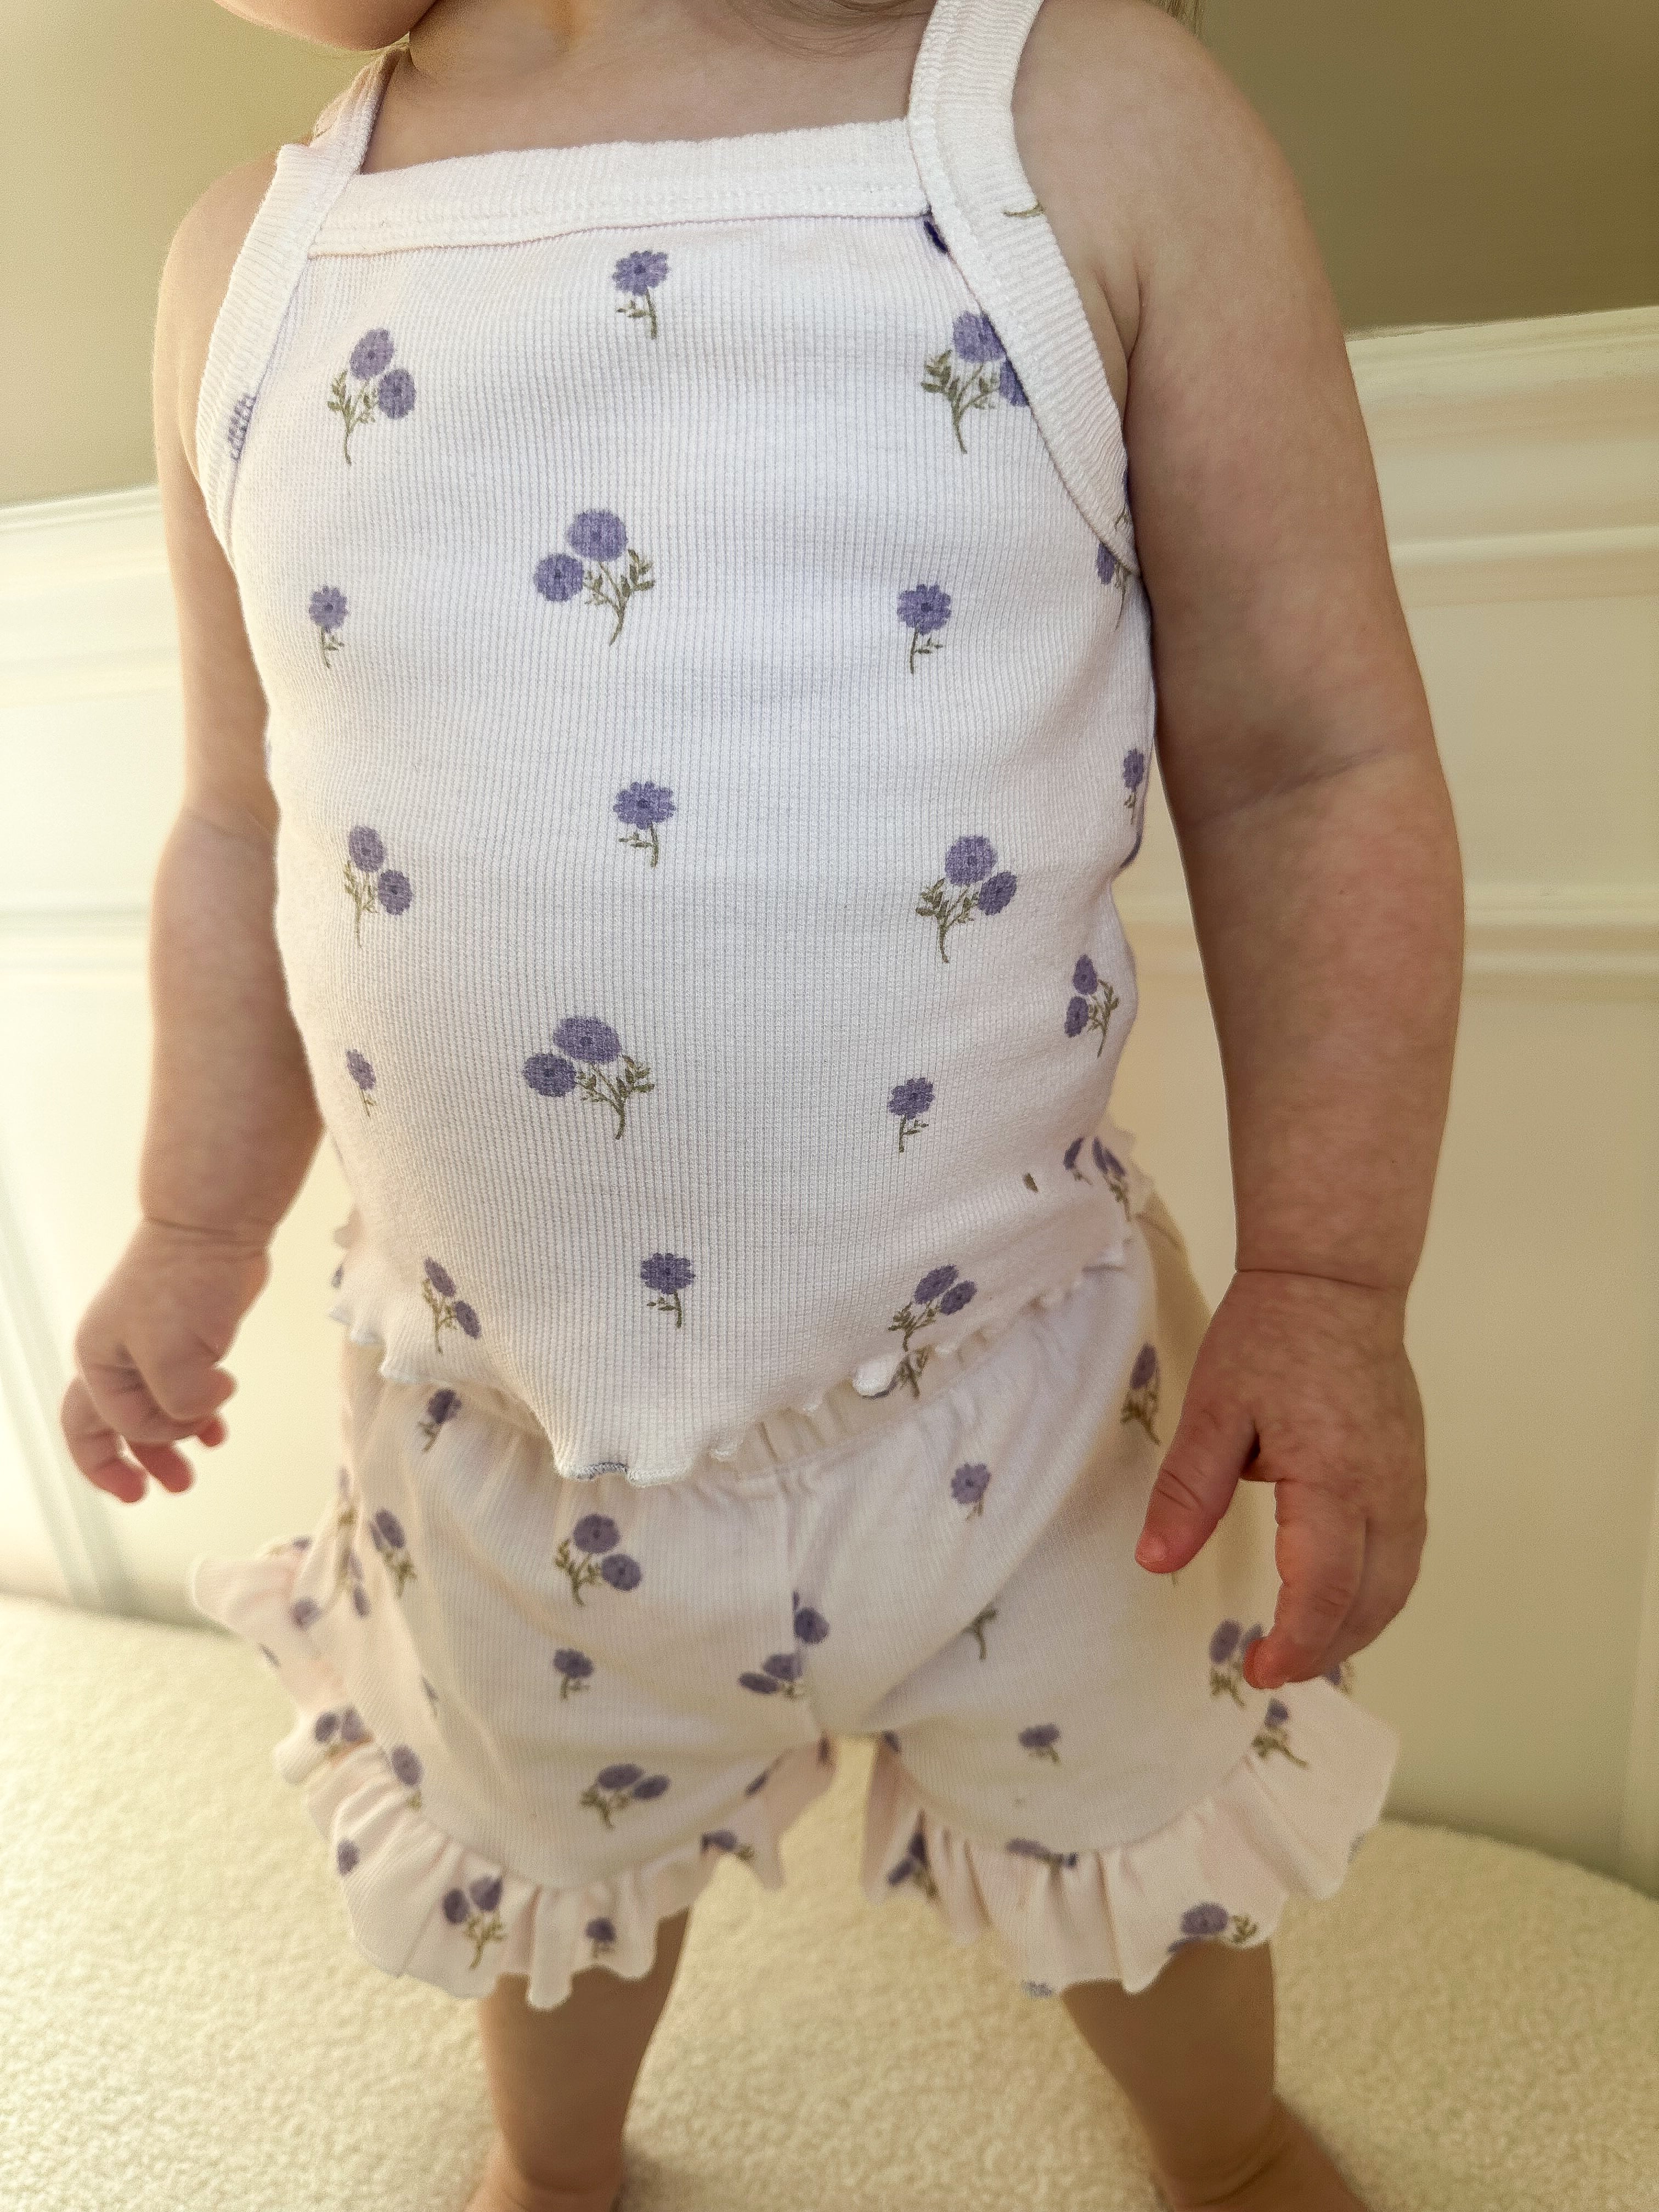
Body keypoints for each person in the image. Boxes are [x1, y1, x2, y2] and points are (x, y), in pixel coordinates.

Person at [60, 0, 1463, 2205]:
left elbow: (1307, 763)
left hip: (1024, 1409)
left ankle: (1231, 2154)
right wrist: (191, 1220)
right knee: (549, 1874)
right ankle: (560, 2169)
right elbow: (249, 829)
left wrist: (1332, 1274)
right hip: (502, 1439)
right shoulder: (253, 260)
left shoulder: (1073, 123)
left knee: (1145, 1838)